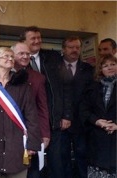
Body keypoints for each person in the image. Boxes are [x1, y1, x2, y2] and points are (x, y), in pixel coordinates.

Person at [0, 47, 41, 178]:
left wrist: (32, 144)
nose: (10, 59)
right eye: (6, 56)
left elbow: (32, 116)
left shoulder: (23, 86)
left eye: (12, 57)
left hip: (17, 147)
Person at [19, 26, 73, 178]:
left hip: (55, 120)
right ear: (23, 41)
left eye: (39, 38)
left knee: (56, 163)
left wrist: (67, 115)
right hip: (31, 123)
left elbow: (66, 86)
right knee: (34, 165)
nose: (37, 41)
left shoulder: (54, 57)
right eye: (33, 38)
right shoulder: (19, 62)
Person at [11, 42, 50, 178]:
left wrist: (45, 134)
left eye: (28, 54)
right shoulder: (0, 76)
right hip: (8, 133)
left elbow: (42, 107)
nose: (25, 56)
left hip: (30, 132)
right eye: (21, 53)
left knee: (32, 171)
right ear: (12, 55)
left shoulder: (37, 78)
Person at [60, 36, 94, 178]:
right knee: (63, 158)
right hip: (61, 121)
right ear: (63, 49)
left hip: (82, 122)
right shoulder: (53, 67)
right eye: (71, 47)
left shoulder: (89, 69)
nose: (75, 50)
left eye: (77, 47)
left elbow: (91, 96)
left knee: (82, 157)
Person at [80, 54, 116, 177]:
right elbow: (83, 110)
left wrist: (115, 124)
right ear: (101, 69)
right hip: (97, 141)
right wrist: (97, 121)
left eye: (113, 64)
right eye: (105, 66)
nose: (109, 67)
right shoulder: (92, 87)